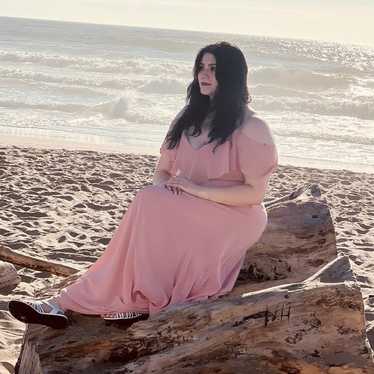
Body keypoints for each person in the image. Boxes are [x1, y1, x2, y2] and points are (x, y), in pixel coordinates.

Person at [8, 41, 278, 329]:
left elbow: (254, 193)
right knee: (149, 200)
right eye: (201, 67)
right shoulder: (188, 118)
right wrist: (167, 193)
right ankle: (67, 304)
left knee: (148, 203)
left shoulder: (252, 126)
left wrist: (192, 191)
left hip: (234, 215)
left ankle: (106, 301)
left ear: (233, 75)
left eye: (213, 68)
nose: (204, 74)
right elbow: (163, 171)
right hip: (188, 203)